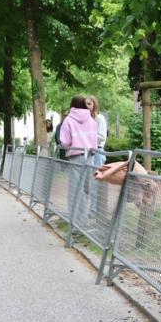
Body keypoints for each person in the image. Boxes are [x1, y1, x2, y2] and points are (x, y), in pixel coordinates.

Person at [58, 96, 98, 225]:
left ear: (72, 105)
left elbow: (65, 141)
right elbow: (95, 140)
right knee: (86, 189)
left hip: (76, 157)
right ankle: (83, 219)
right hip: (90, 157)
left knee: (76, 189)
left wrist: (66, 147)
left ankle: (77, 222)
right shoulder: (92, 121)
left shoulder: (69, 120)